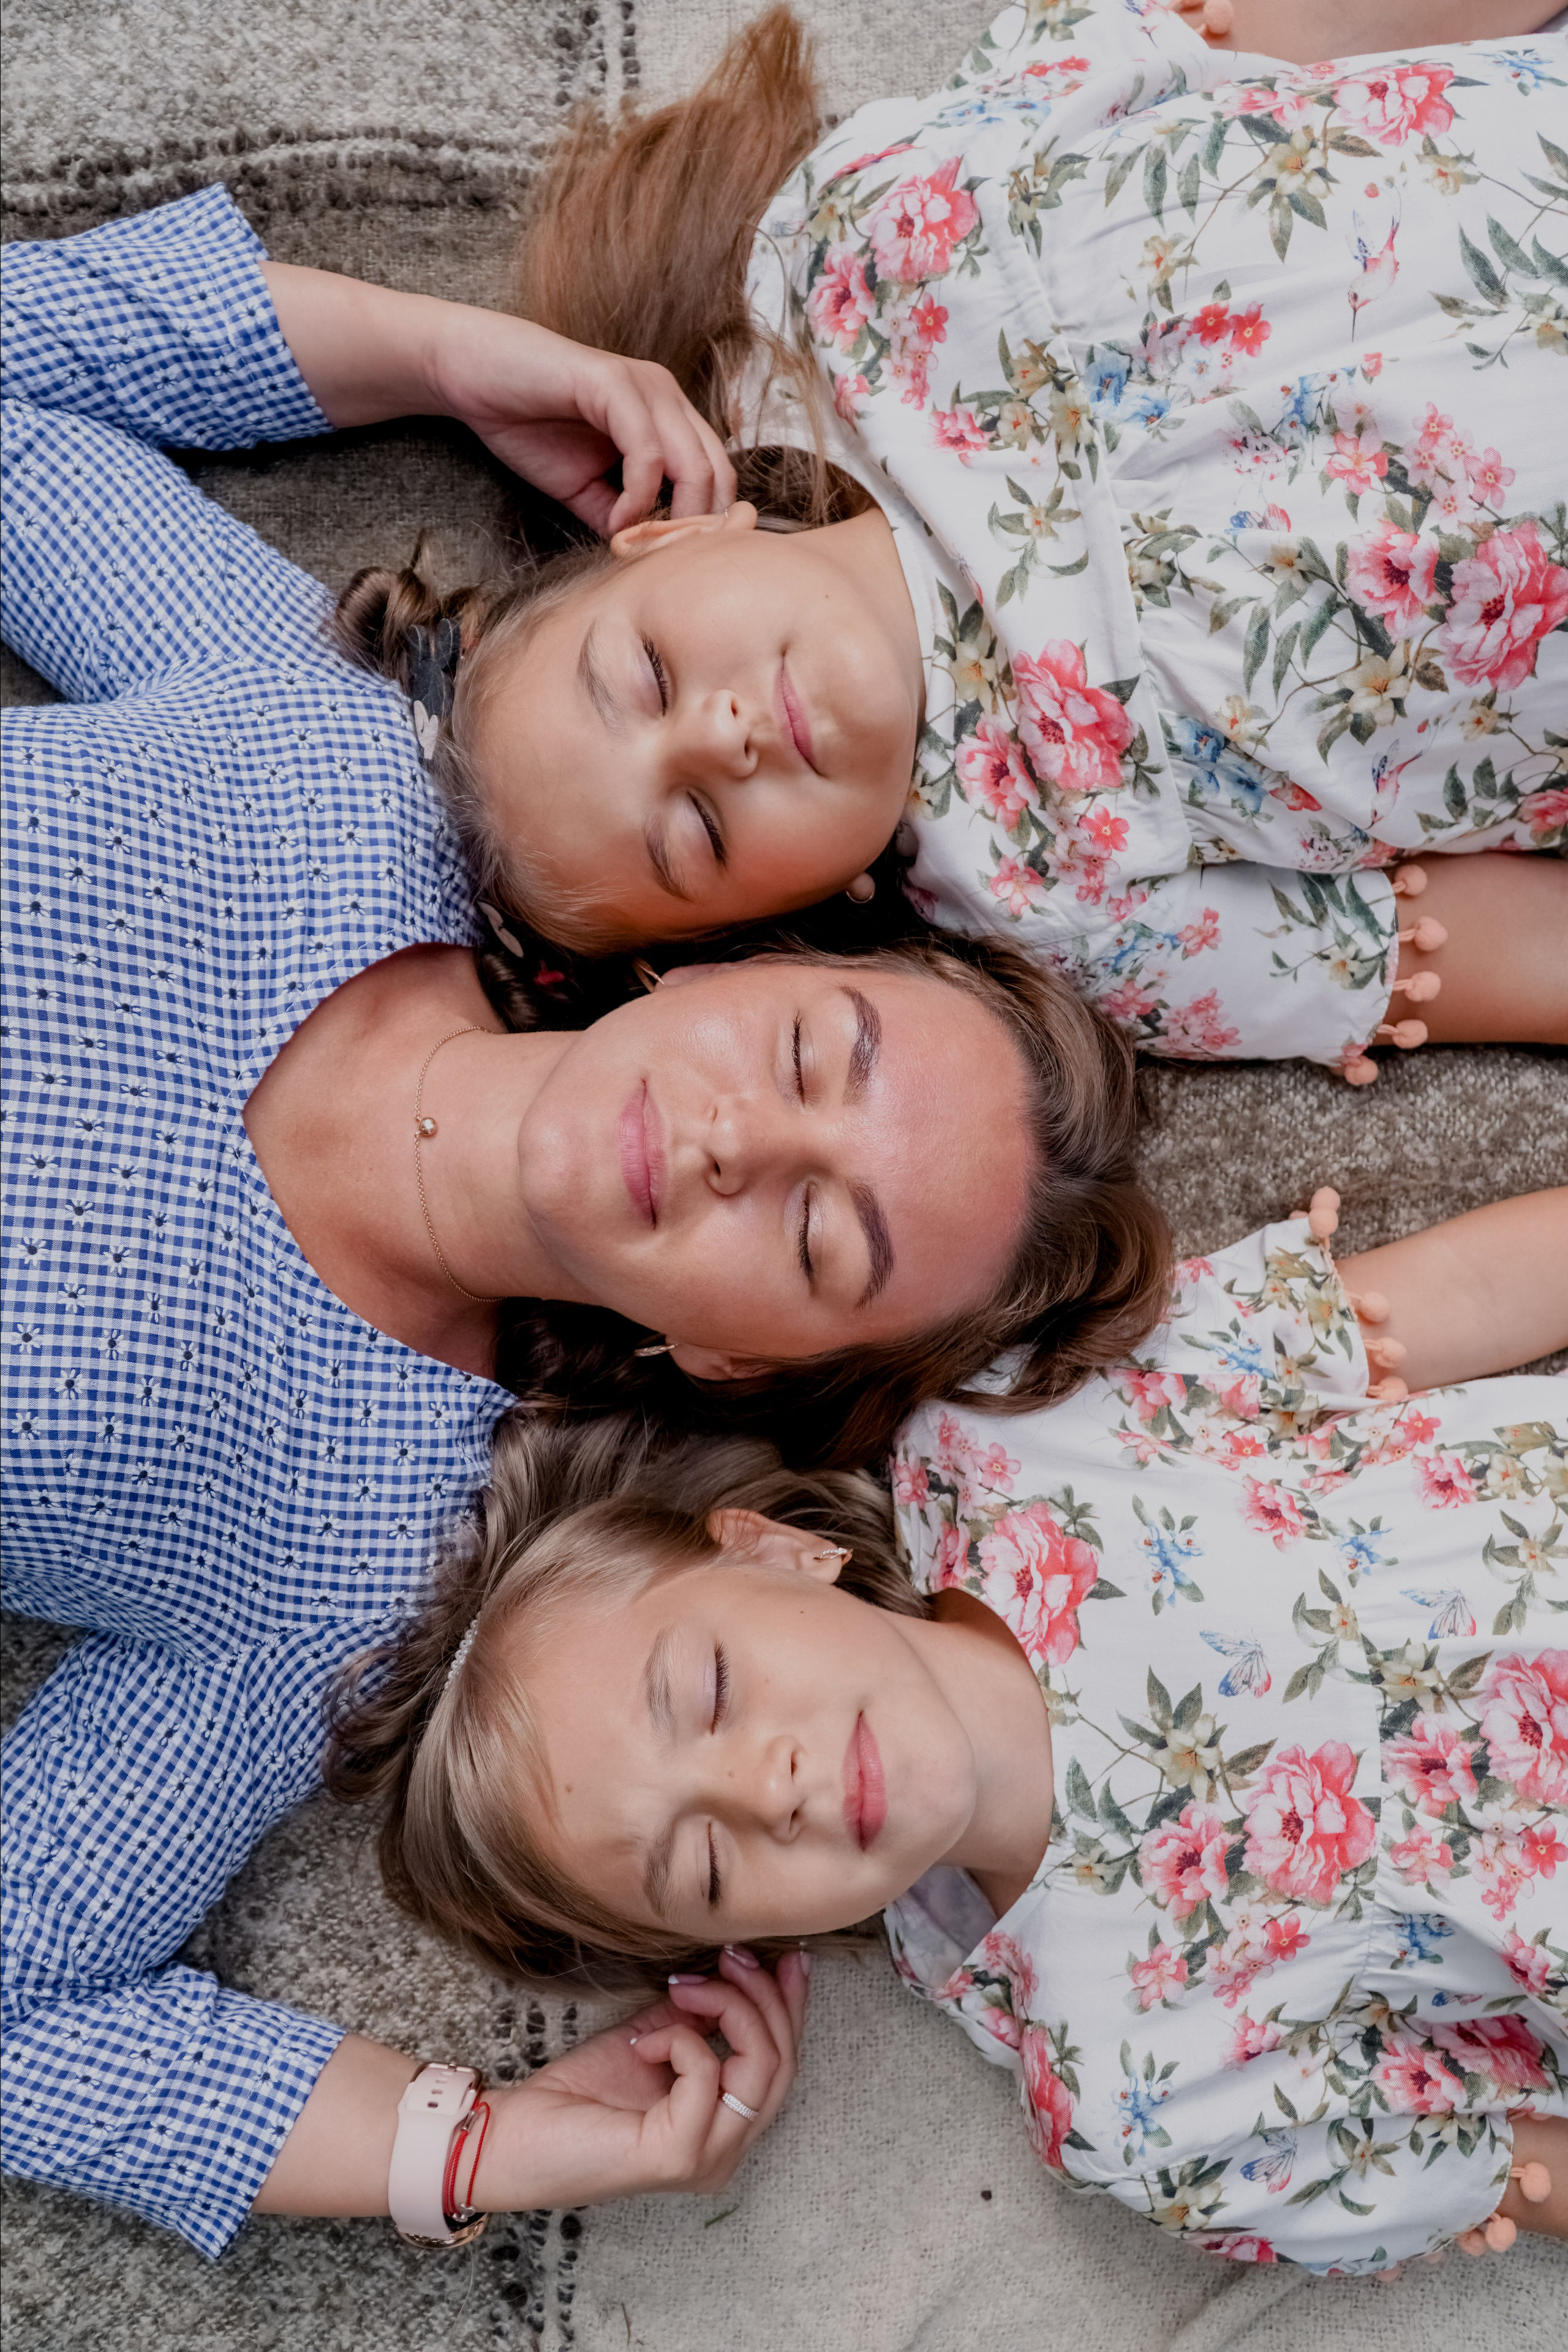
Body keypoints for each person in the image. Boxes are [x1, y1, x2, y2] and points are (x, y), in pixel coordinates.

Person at [1, 192, 1175, 2250]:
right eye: (812, 1058)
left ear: (737, 1359)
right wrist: (447, 353)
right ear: (719, 962)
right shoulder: (323, 751)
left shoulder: (343, 1561)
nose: (743, 1148)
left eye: (820, 1243)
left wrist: (494, 2151)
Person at [319, 1185, 1568, 2272]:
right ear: (747, 1939)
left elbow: (1417, 1310)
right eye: (702, 1864)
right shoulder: (1136, 2094)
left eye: (707, 1691)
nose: (770, 1787)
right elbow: (1503, 2162)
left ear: (778, 1549)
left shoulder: (1018, 1431)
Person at [475, 0, 1568, 1072]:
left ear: (671, 538)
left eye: (653, 675)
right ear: (788, 920)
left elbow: (1271, 32)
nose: (722, 738)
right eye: (703, 832)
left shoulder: (852, 261)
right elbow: (1478, 951)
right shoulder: (1056, 912)